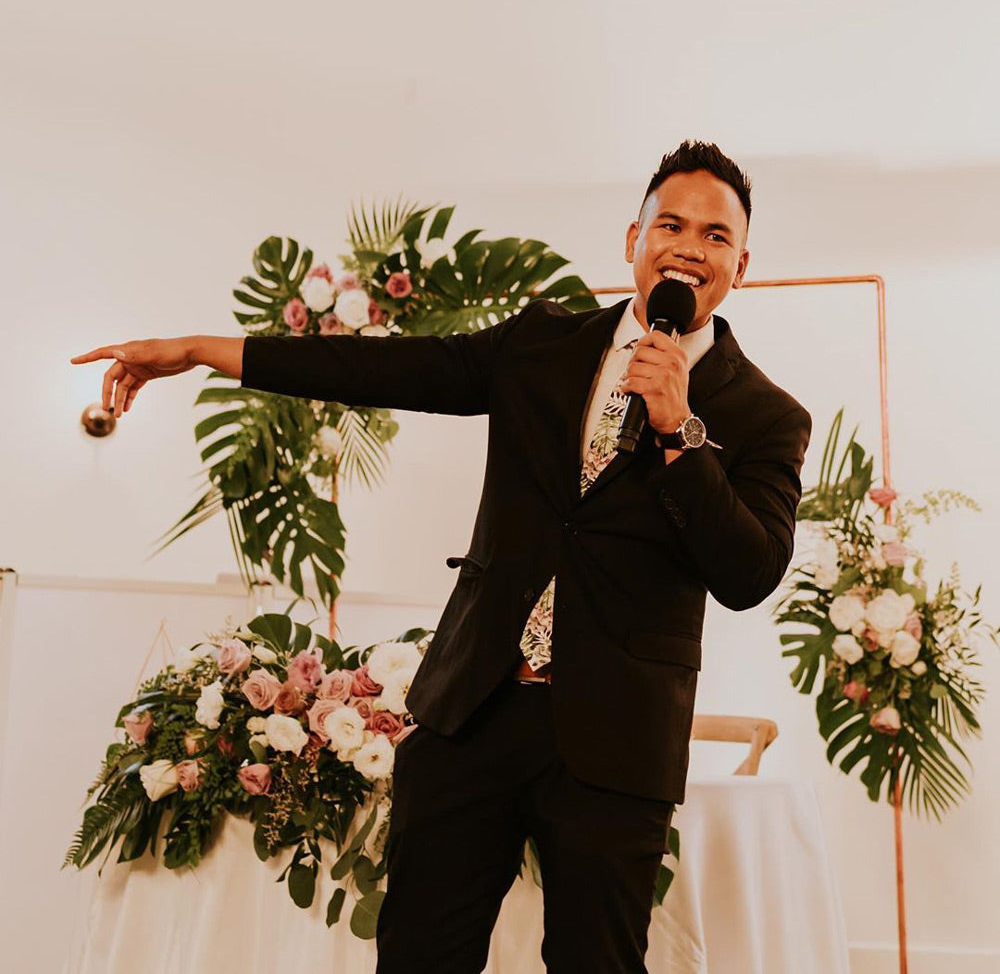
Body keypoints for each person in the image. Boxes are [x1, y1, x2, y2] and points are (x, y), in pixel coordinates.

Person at [71, 139, 811, 973]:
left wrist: (682, 430)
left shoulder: (765, 415)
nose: (688, 245)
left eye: (715, 236)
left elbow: (749, 574)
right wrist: (203, 350)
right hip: (474, 716)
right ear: (631, 240)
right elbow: (380, 366)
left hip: (616, 745)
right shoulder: (540, 346)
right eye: (669, 223)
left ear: (740, 265)